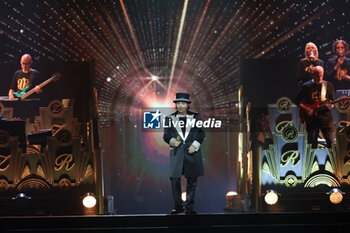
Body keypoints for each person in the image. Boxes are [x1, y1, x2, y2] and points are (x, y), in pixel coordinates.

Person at [163, 92, 205, 215]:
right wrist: (172, 142)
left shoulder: (196, 117)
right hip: (176, 153)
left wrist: (195, 146)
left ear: (187, 105)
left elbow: (201, 134)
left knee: (192, 180)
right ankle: (178, 207)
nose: (180, 105)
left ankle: (189, 207)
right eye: (178, 103)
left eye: (183, 103)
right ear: (176, 105)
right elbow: (166, 136)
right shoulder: (169, 118)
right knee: (175, 179)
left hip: (192, 152)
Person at [295, 66, 335, 148]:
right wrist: (306, 109)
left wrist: (331, 105)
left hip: (326, 118)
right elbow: (296, 101)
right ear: (312, 74)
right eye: (317, 75)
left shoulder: (328, 85)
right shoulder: (306, 86)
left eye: (321, 75)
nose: (319, 78)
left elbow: (332, 101)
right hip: (312, 119)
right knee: (312, 144)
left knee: (331, 143)